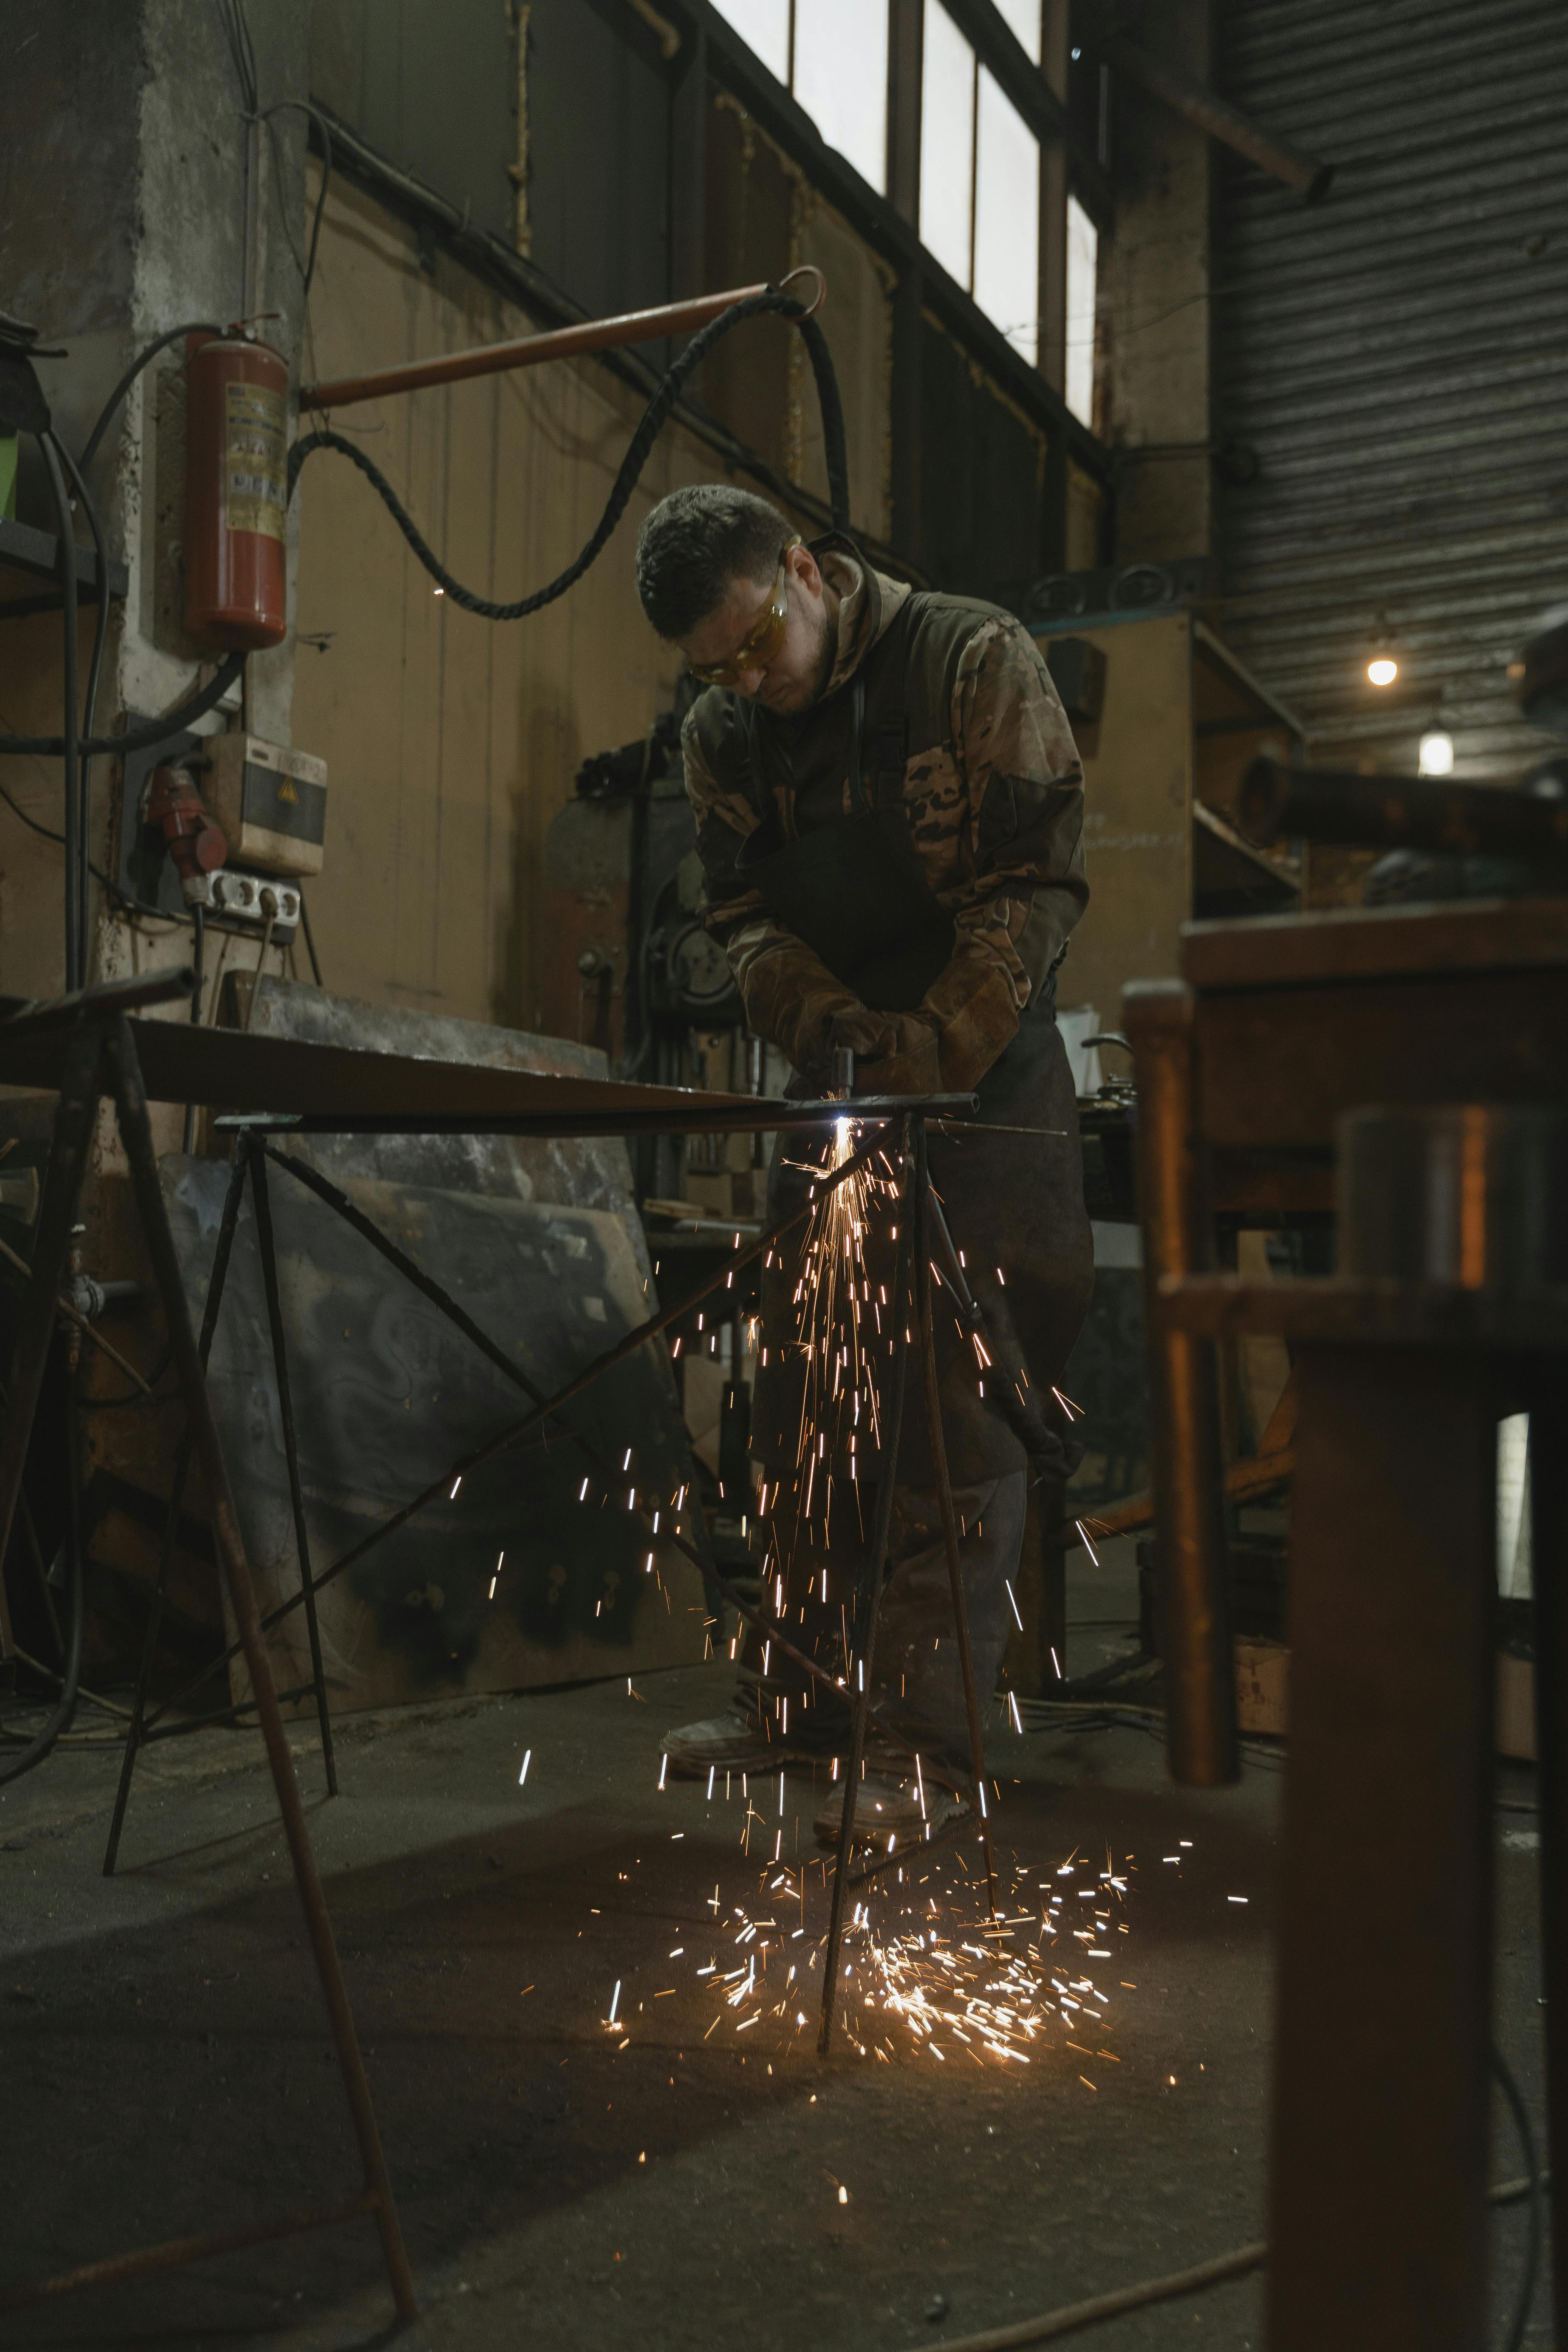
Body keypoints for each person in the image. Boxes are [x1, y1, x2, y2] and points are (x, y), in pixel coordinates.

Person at [635, 484, 1093, 1844]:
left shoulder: (969, 658)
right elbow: (737, 917)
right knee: (805, 1396)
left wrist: (940, 1037)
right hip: (837, 1075)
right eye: (712, 666)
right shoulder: (724, 729)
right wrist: (817, 1021)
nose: (744, 683)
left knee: (953, 1403)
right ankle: (799, 1712)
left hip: (984, 1065)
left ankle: (925, 1747)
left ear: (803, 569)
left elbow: (1036, 882)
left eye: (754, 643)